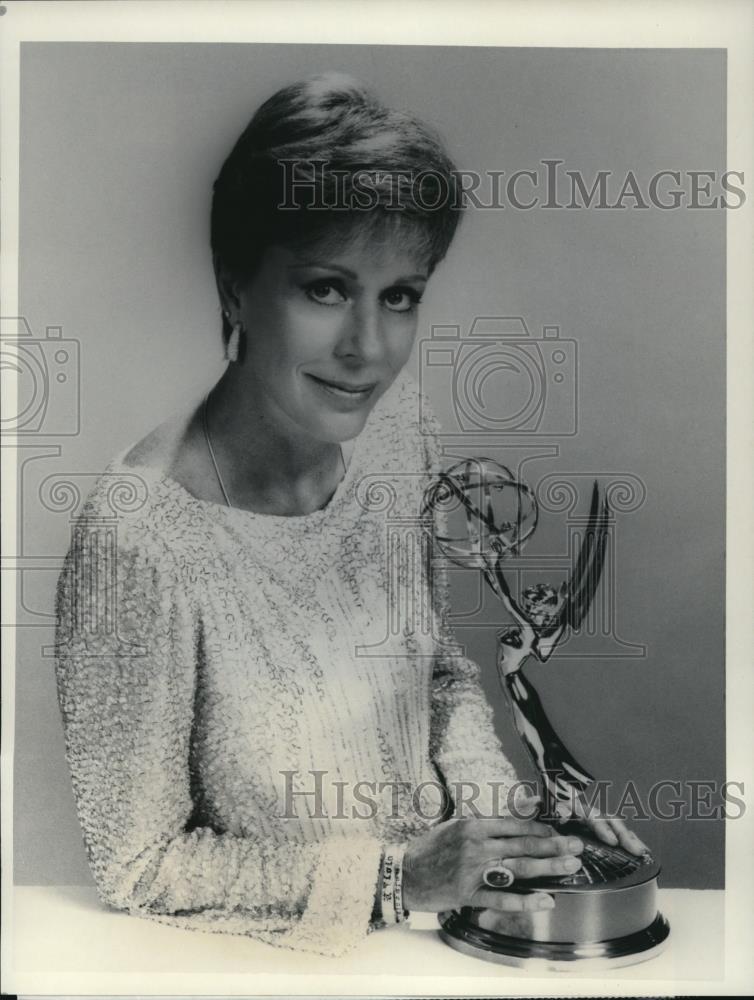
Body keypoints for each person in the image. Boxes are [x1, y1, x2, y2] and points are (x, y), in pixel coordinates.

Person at [54, 71, 647, 959]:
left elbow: (438, 677)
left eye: (400, 295)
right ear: (234, 288)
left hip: (434, 951)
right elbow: (139, 864)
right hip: (253, 968)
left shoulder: (399, 440)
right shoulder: (136, 536)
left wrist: (508, 831)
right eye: (327, 289)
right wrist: (398, 879)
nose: (367, 350)